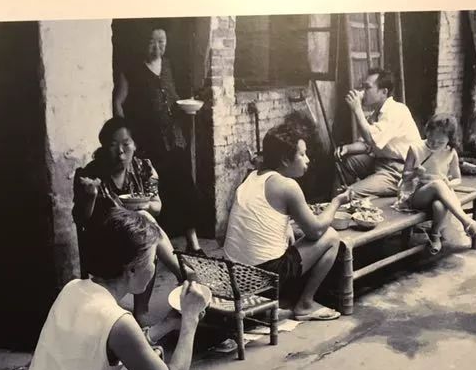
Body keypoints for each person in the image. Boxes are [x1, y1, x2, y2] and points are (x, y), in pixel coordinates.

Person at [6, 208, 212, 370]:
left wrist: (169, 323)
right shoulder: (118, 321)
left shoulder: (74, 289)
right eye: (152, 261)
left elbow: (113, 344)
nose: (154, 267)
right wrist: (189, 320)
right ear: (132, 269)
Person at [224, 122, 352, 321]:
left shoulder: (251, 177)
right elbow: (316, 231)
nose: (307, 160)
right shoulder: (287, 186)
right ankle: (305, 304)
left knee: (291, 233)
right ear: (285, 159)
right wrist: (336, 202)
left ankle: (278, 302)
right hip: (264, 277)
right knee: (331, 237)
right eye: (302, 154)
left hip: (234, 274)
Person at [72, 117, 191, 320]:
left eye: (126, 144)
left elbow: (157, 207)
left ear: (135, 145)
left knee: (145, 227)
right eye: (113, 145)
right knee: (145, 229)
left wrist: (144, 205)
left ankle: (141, 311)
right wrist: (90, 196)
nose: (120, 152)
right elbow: (81, 220)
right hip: (103, 241)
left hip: (136, 236)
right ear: (104, 147)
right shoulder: (91, 173)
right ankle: (183, 273)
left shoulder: (144, 168)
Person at [113, 26, 204, 255]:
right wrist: (126, 134)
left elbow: (176, 97)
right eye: (152, 42)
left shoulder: (170, 66)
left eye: (161, 41)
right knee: (153, 192)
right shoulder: (131, 70)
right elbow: (118, 102)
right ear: (143, 43)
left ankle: (193, 244)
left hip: (175, 139)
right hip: (148, 142)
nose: (157, 47)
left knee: (185, 187)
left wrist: (186, 108)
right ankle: (158, 249)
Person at [394, 114, 476, 255]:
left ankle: (434, 235)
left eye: (440, 142)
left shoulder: (450, 152)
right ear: (427, 131)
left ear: (449, 140)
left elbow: (457, 179)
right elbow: (405, 177)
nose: (434, 144)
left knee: (439, 205)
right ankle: (467, 222)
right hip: (415, 195)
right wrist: (415, 173)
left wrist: (449, 183)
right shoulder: (415, 148)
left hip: (440, 193)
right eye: (432, 140)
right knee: (437, 184)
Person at [335, 69, 422, 196]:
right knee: (347, 163)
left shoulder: (396, 110)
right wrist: (347, 148)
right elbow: (366, 144)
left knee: (351, 193)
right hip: (381, 162)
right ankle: (334, 202)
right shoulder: (376, 113)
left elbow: (372, 139)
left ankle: (347, 197)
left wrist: (357, 109)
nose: (363, 92)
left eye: (368, 88)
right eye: (363, 87)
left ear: (384, 92)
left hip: (399, 170)